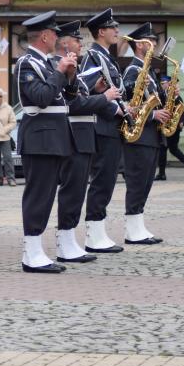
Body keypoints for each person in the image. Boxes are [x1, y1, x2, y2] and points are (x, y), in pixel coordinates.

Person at [16, 10, 78, 273]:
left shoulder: (49, 63)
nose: (57, 38)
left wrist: (70, 74)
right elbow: (40, 97)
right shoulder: (26, 63)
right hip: (39, 136)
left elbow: (69, 97)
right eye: (54, 33)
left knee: (48, 193)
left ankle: (37, 250)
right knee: (38, 195)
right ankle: (31, 252)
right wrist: (60, 72)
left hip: (55, 136)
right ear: (44, 35)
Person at [56, 19, 120, 263]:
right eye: (76, 39)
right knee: (70, 191)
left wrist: (96, 91)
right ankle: (66, 242)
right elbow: (74, 104)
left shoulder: (76, 68)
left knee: (77, 191)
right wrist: (105, 98)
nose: (81, 43)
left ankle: (70, 241)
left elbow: (80, 97)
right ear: (65, 43)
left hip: (84, 135)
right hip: (74, 134)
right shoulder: (63, 66)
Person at [81, 8, 130, 253]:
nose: (117, 32)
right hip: (102, 127)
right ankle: (93, 235)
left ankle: (98, 231)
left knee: (108, 180)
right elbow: (90, 90)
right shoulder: (93, 56)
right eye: (113, 28)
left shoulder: (106, 57)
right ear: (101, 32)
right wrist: (115, 110)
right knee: (102, 181)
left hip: (111, 127)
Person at [119, 23, 170, 245]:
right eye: (151, 42)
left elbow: (152, 102)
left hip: (150, 136)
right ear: (140, 45)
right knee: (138, 182)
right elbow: (129, 105)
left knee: (146, 183)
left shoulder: (148, 69)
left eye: (156, 42)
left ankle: (138, 225)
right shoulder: (133, 70)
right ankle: (132, 229)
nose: (155, 45)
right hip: (139, 135)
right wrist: (152, 116)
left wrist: (167, 95)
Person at [155, 75, 184, 180]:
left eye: (163, 83)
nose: (162, 85)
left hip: (174, 127)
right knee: (166, 149)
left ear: (169, 84)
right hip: (165, 125)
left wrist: (182, 122)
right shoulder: (161, 95)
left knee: (170, 149)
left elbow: (183, 111)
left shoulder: (176, 96)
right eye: (161, 84)